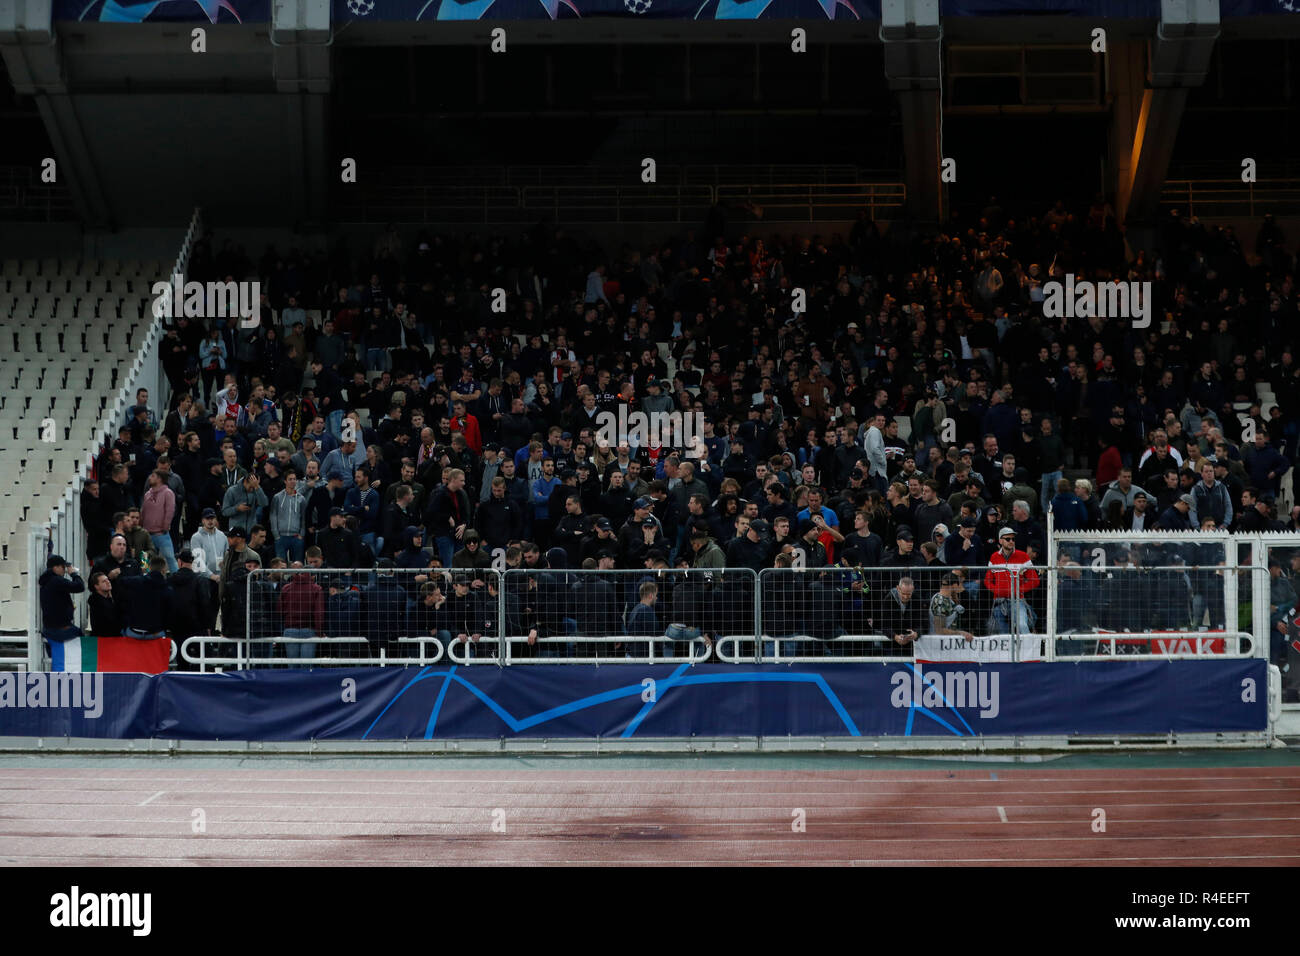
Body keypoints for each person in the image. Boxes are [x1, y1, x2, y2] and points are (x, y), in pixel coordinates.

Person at [984, 527, 1040, 635]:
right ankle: (1008, 652)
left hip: (1017, 600)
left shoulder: (1023, 556)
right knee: (1002, 634)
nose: (1011, 541)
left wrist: (1018, 590)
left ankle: (1028, 650)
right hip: (999, 601)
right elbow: (987, 580)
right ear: (1000, 541)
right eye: (1008, 539)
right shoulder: (994, 557)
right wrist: (997, 590)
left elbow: (1035, 580)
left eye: (1013, 539)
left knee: (1022, 626)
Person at [38, 555, 86, 645]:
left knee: (55, 656)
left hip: (49, 628)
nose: (65, 570)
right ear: (55, 568)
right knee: (83, 645)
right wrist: (73, 574)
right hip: (59, 629)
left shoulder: (46, 581)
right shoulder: (56, 580)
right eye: (63, 567)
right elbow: (79, 587)